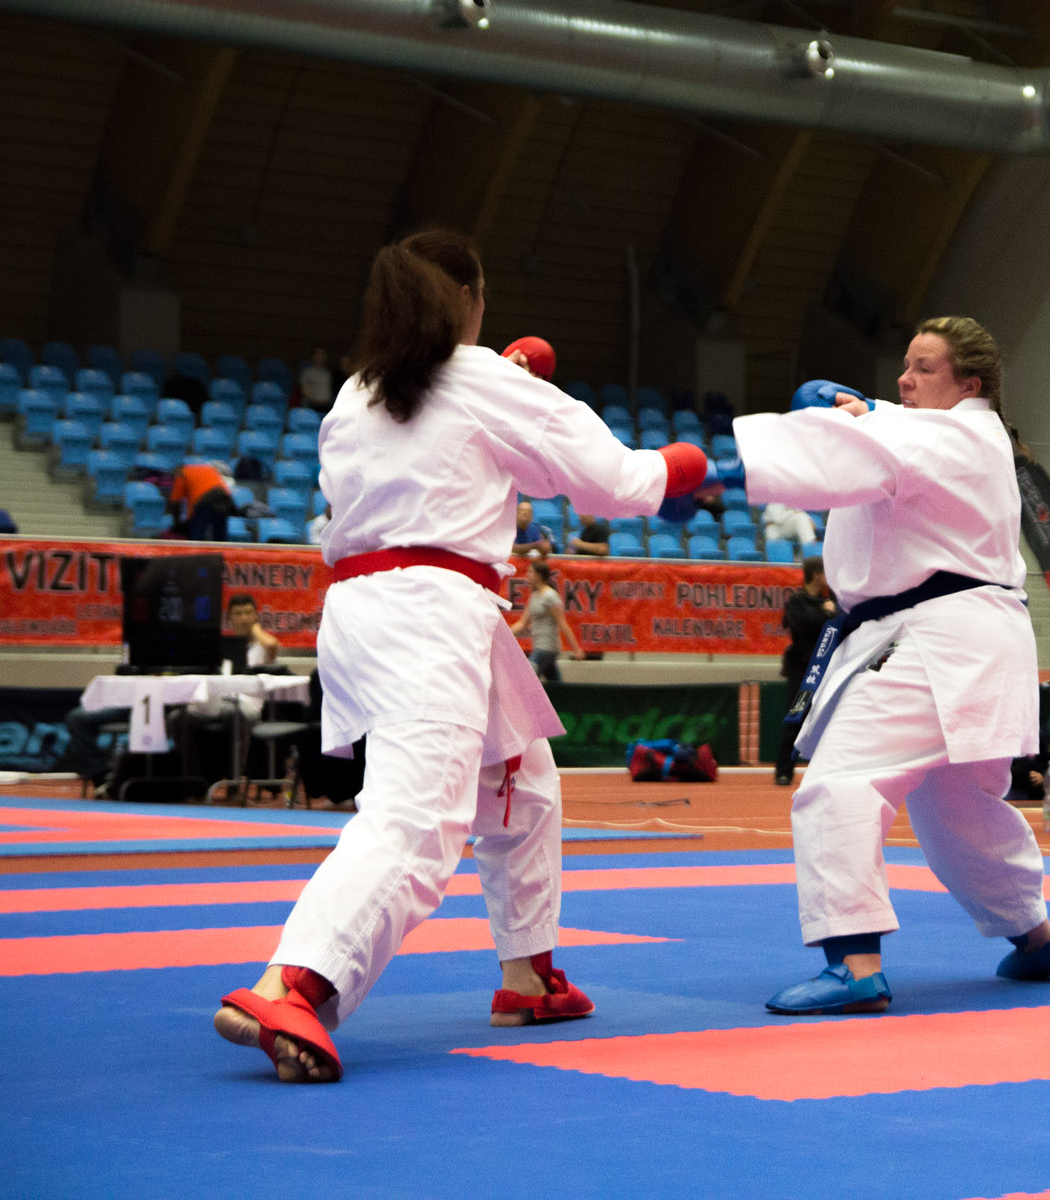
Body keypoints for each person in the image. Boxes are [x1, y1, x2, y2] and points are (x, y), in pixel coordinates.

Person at [212, 228, 714, 1083]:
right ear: (471, 301)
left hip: (371, 608)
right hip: (429, 613)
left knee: (524, 781)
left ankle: (530, 974)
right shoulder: (481, 378)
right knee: (417, 818)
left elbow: (451, 462)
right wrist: (682, 463)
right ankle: (293, 984)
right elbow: (615, 484)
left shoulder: (357, 394)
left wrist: (512, 403)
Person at [734, 316, 1050, 1016]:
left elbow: (853, 450)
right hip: (966, 640)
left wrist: (703, 472)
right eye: (906, 365)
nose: (905, 378)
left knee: (841, 784)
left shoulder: (950, 434)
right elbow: (884, 429)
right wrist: (863, 410)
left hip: (936, 638)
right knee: (958, 808)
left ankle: (854, 963)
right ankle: (1036, 937)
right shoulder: (950, 435)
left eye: (924, 368)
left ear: (969, 385)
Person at [774, 555, 835, 786]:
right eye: (826, 572)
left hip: (827, 669)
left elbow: (844, 622)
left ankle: (825, 771)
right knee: (796, 718)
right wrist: (827, 613)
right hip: (802, 672)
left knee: (829, 720)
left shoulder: (833, 601)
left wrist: (831, 612)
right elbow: (806, 624)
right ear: (816, 575)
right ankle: (784, 771)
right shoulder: (797, 601)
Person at [511, 559, 585, 682]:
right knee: (555, 684)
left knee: (527, 679)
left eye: (531, 572)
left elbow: (562, 623)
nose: (528, 575)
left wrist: (576, 648)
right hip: (539, 645)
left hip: (547, 647)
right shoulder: (534, 596)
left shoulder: (550, 596)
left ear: (539, 575)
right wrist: (503, 634)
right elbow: (522, 623)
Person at [167, 460, 236, 542]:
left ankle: (195, 549)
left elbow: (175, 501)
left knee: (197, 532)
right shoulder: (207, 468)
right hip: (224, 497)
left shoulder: (182, 472)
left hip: (206, 499)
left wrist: (177, 522)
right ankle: (221, 549)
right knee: (220, 533)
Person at [226, 594, 280, 665]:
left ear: (256, 615)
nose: (244, 618)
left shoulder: (263, 646)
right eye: (238, 613)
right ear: (229, 617)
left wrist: (256, 628)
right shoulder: (227, 648)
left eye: (248, 613)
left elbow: (271, 645)